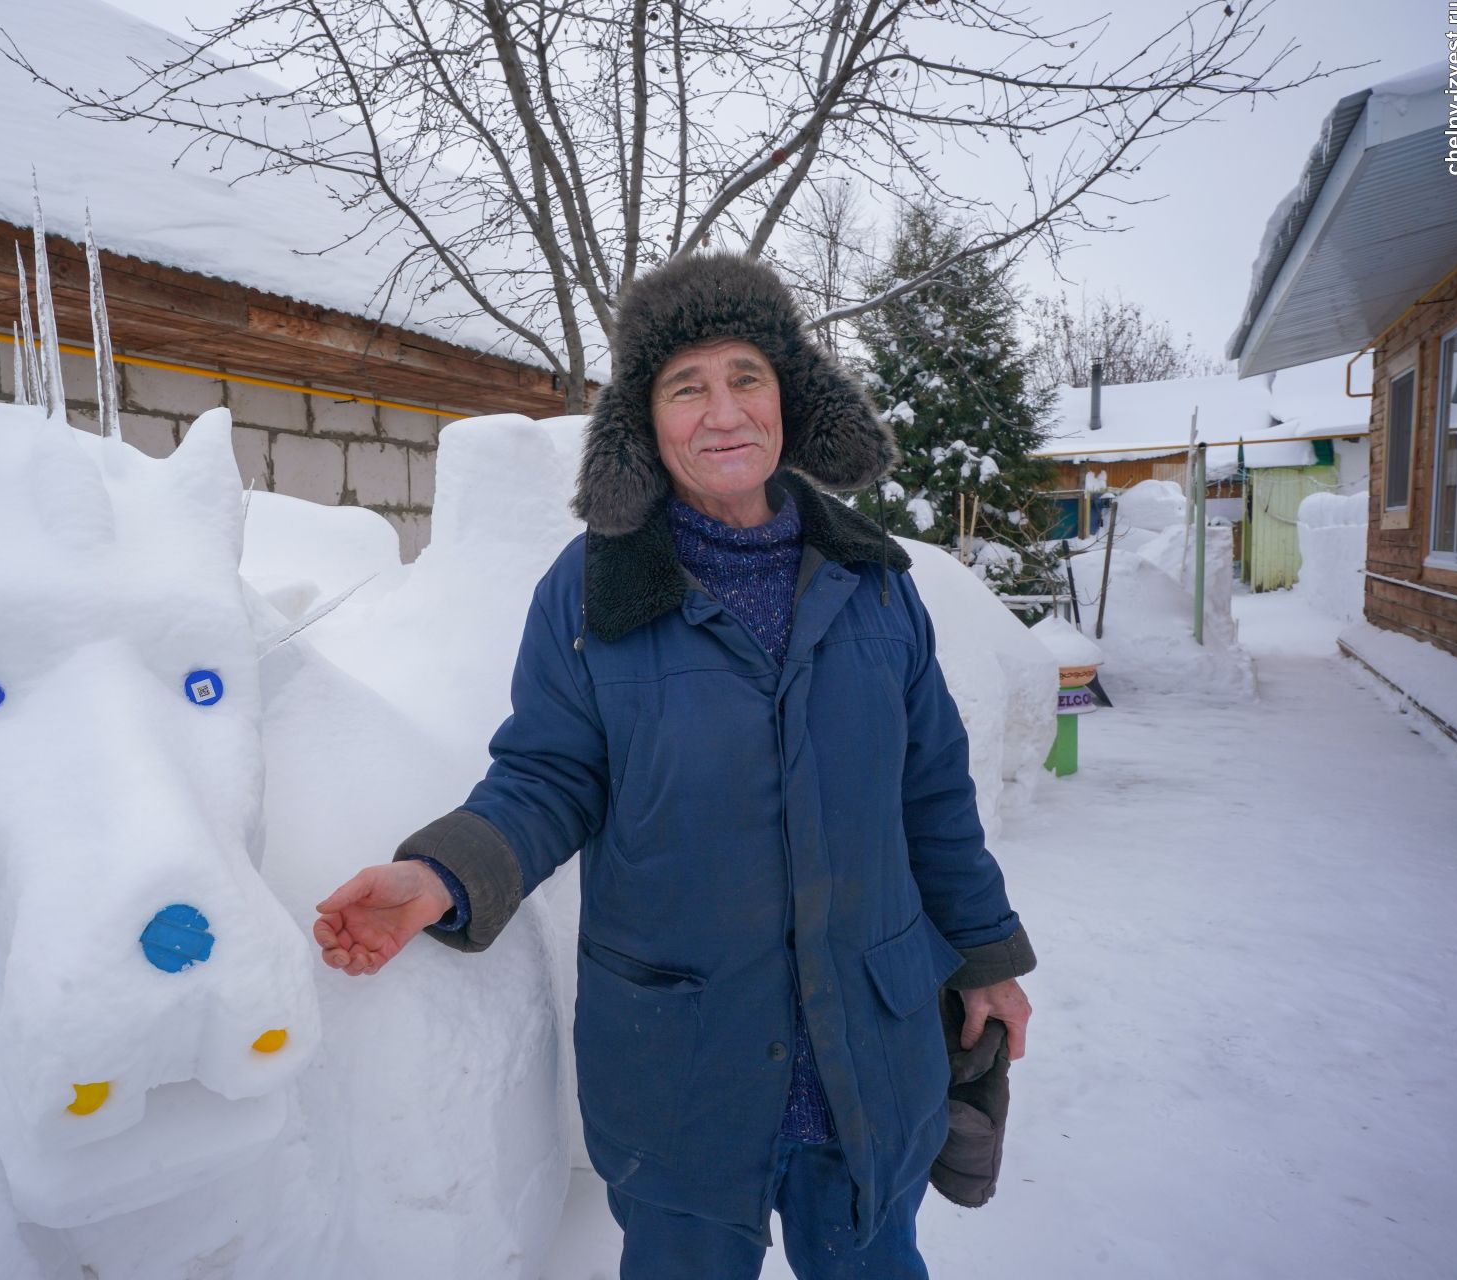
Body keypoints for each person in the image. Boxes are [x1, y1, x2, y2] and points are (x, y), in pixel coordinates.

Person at [311, 252, 1034, 1279]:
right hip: (683, 1056)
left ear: (791, 396)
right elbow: (549, 775)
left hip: (869, 1046)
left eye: (746, 376)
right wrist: (440, 875)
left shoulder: (875, 583)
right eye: (685, 386)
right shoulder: (592, 592)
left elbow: (932, 795)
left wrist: (989, 953)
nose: (721, 410)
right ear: (645, 422)